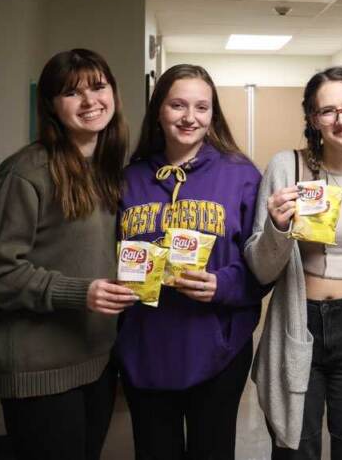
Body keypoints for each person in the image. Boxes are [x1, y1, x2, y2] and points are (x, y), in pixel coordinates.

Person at [0, 49, 136, 460]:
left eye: (98, 87)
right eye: (71, 92)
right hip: (39, 370)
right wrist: (79, 293)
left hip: (96, 358)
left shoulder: (107, 169)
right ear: (50, 104)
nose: (90, 101)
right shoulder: (24, 173)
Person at [246, 67, 342, 459]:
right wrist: (277, 229)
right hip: (300, 324)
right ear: (313, 120)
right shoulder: (287, 167)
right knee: (296, 446)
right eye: (328, 111)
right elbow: (260, 268)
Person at [116, 64, 264, 460]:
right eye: (177, 105)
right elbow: (104, 255)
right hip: (145, 348)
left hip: (218, 349)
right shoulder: (129, 179)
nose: (189, 117)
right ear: (159, 111)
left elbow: (265, 266)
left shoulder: (242, 175)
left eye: (202, 107)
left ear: (213, 114)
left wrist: (224, 284)